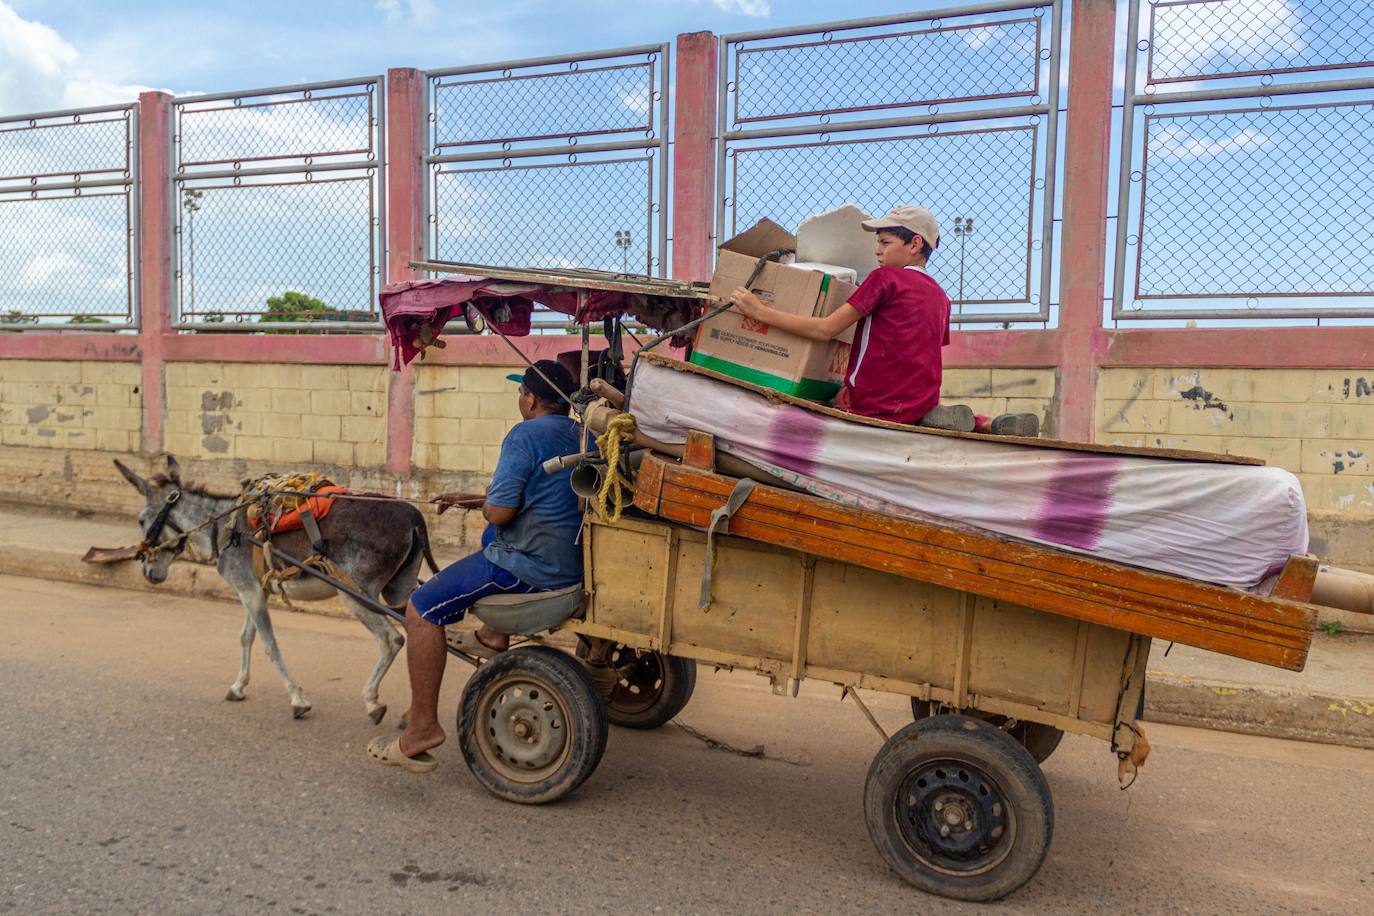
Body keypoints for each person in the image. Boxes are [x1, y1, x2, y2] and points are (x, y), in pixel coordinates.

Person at [367, 359, 583, 773]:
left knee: (422, 608)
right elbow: (532, 497)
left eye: (521, 392)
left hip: (530, 568)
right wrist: (474, 498)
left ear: (531, 399)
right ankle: (492, 636)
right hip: (566, 557)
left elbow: (501, 512)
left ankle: (423, 730)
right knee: (487, 540)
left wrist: (486, 506)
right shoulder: (579, 431)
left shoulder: (523, 435)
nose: (520, 399)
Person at [729, 205, 1038, 436]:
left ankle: (938, 416)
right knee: (916, 403)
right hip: (918, 400)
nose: (877, 251)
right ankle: (979, 422)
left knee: (820, 401)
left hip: (871, 405)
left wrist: (759, 311)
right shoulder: (941, 297)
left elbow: (826, 329)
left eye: (886, 243)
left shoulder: (885, 278)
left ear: (915, 245)